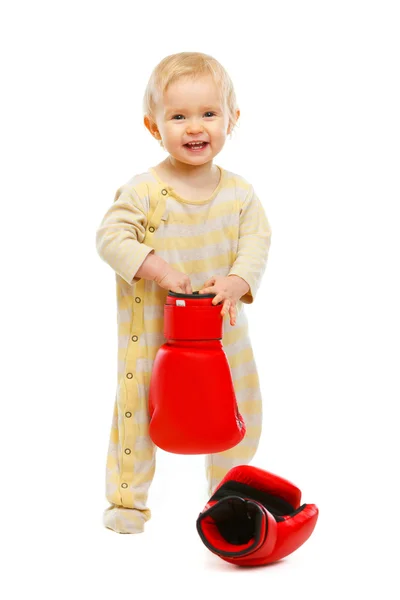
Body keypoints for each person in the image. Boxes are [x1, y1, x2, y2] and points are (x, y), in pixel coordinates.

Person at [95, 51, 272, 534]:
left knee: (241, 407)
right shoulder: (145, 191)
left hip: (222, 329)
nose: (195, 128)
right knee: (137, 409)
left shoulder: (240, 193)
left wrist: (239, 280)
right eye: (179, 116)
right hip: (154, 331)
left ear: (232, 120)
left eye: (209, 114)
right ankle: (128, 502)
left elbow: (257, 242)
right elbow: (110, 238)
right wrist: (156, 269)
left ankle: (229, 495)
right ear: (154, 126)